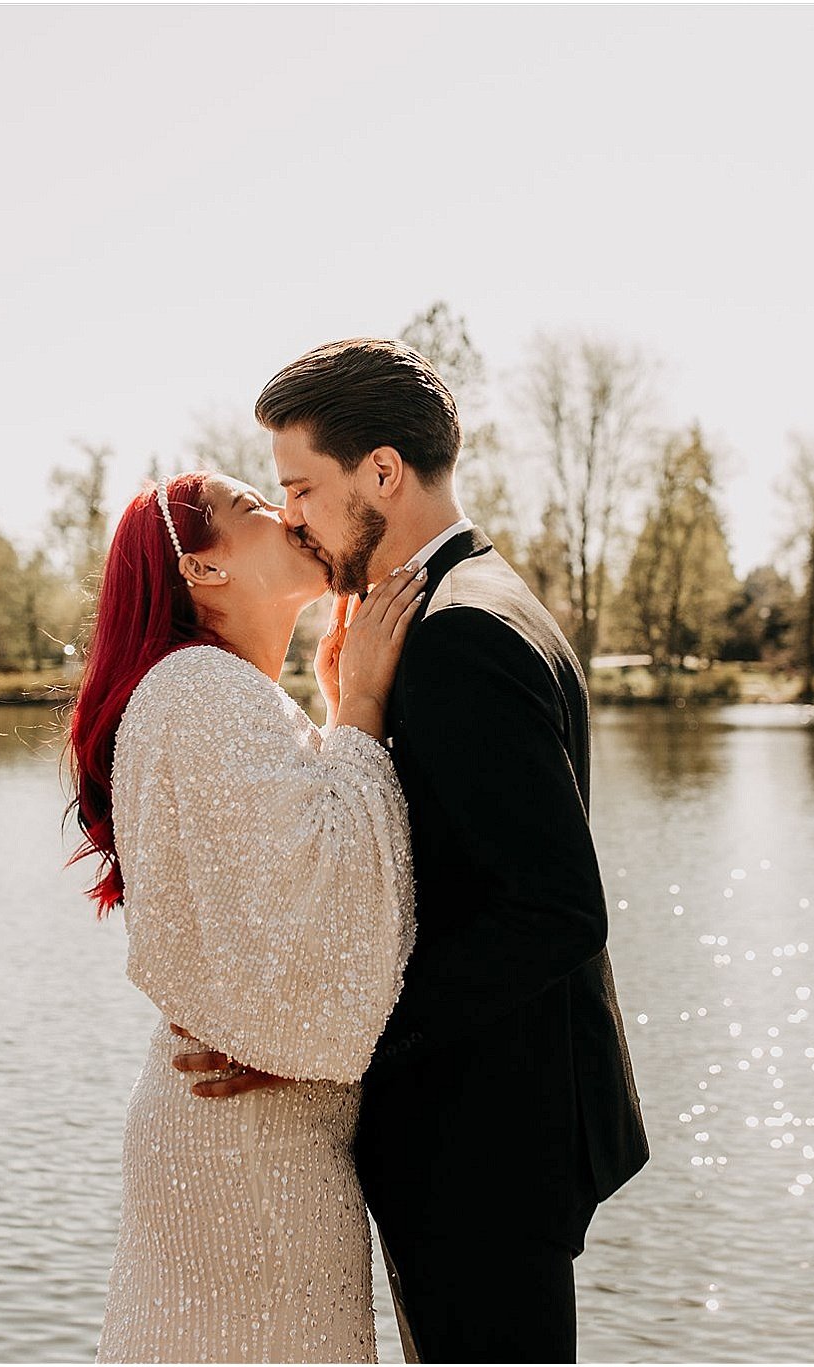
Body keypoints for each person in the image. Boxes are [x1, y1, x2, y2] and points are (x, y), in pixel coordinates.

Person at [171, 338, 650, 1363]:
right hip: (498, 1120)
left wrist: (330, 1032)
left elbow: (552, 907)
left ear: (380, 471)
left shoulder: (459, 633)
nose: (289, 511)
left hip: (483, 1138)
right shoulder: (466, 600)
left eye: (299, 485)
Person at [67, 468, 429, 1363]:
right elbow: (328, 935)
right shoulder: (199, 690)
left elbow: (281, 928)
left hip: (250, 1136)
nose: (289, 514)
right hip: (245, 1156)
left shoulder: (221, 694)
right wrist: (367, 710)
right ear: (202, 568)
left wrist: (340, 712)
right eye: (255, 509)